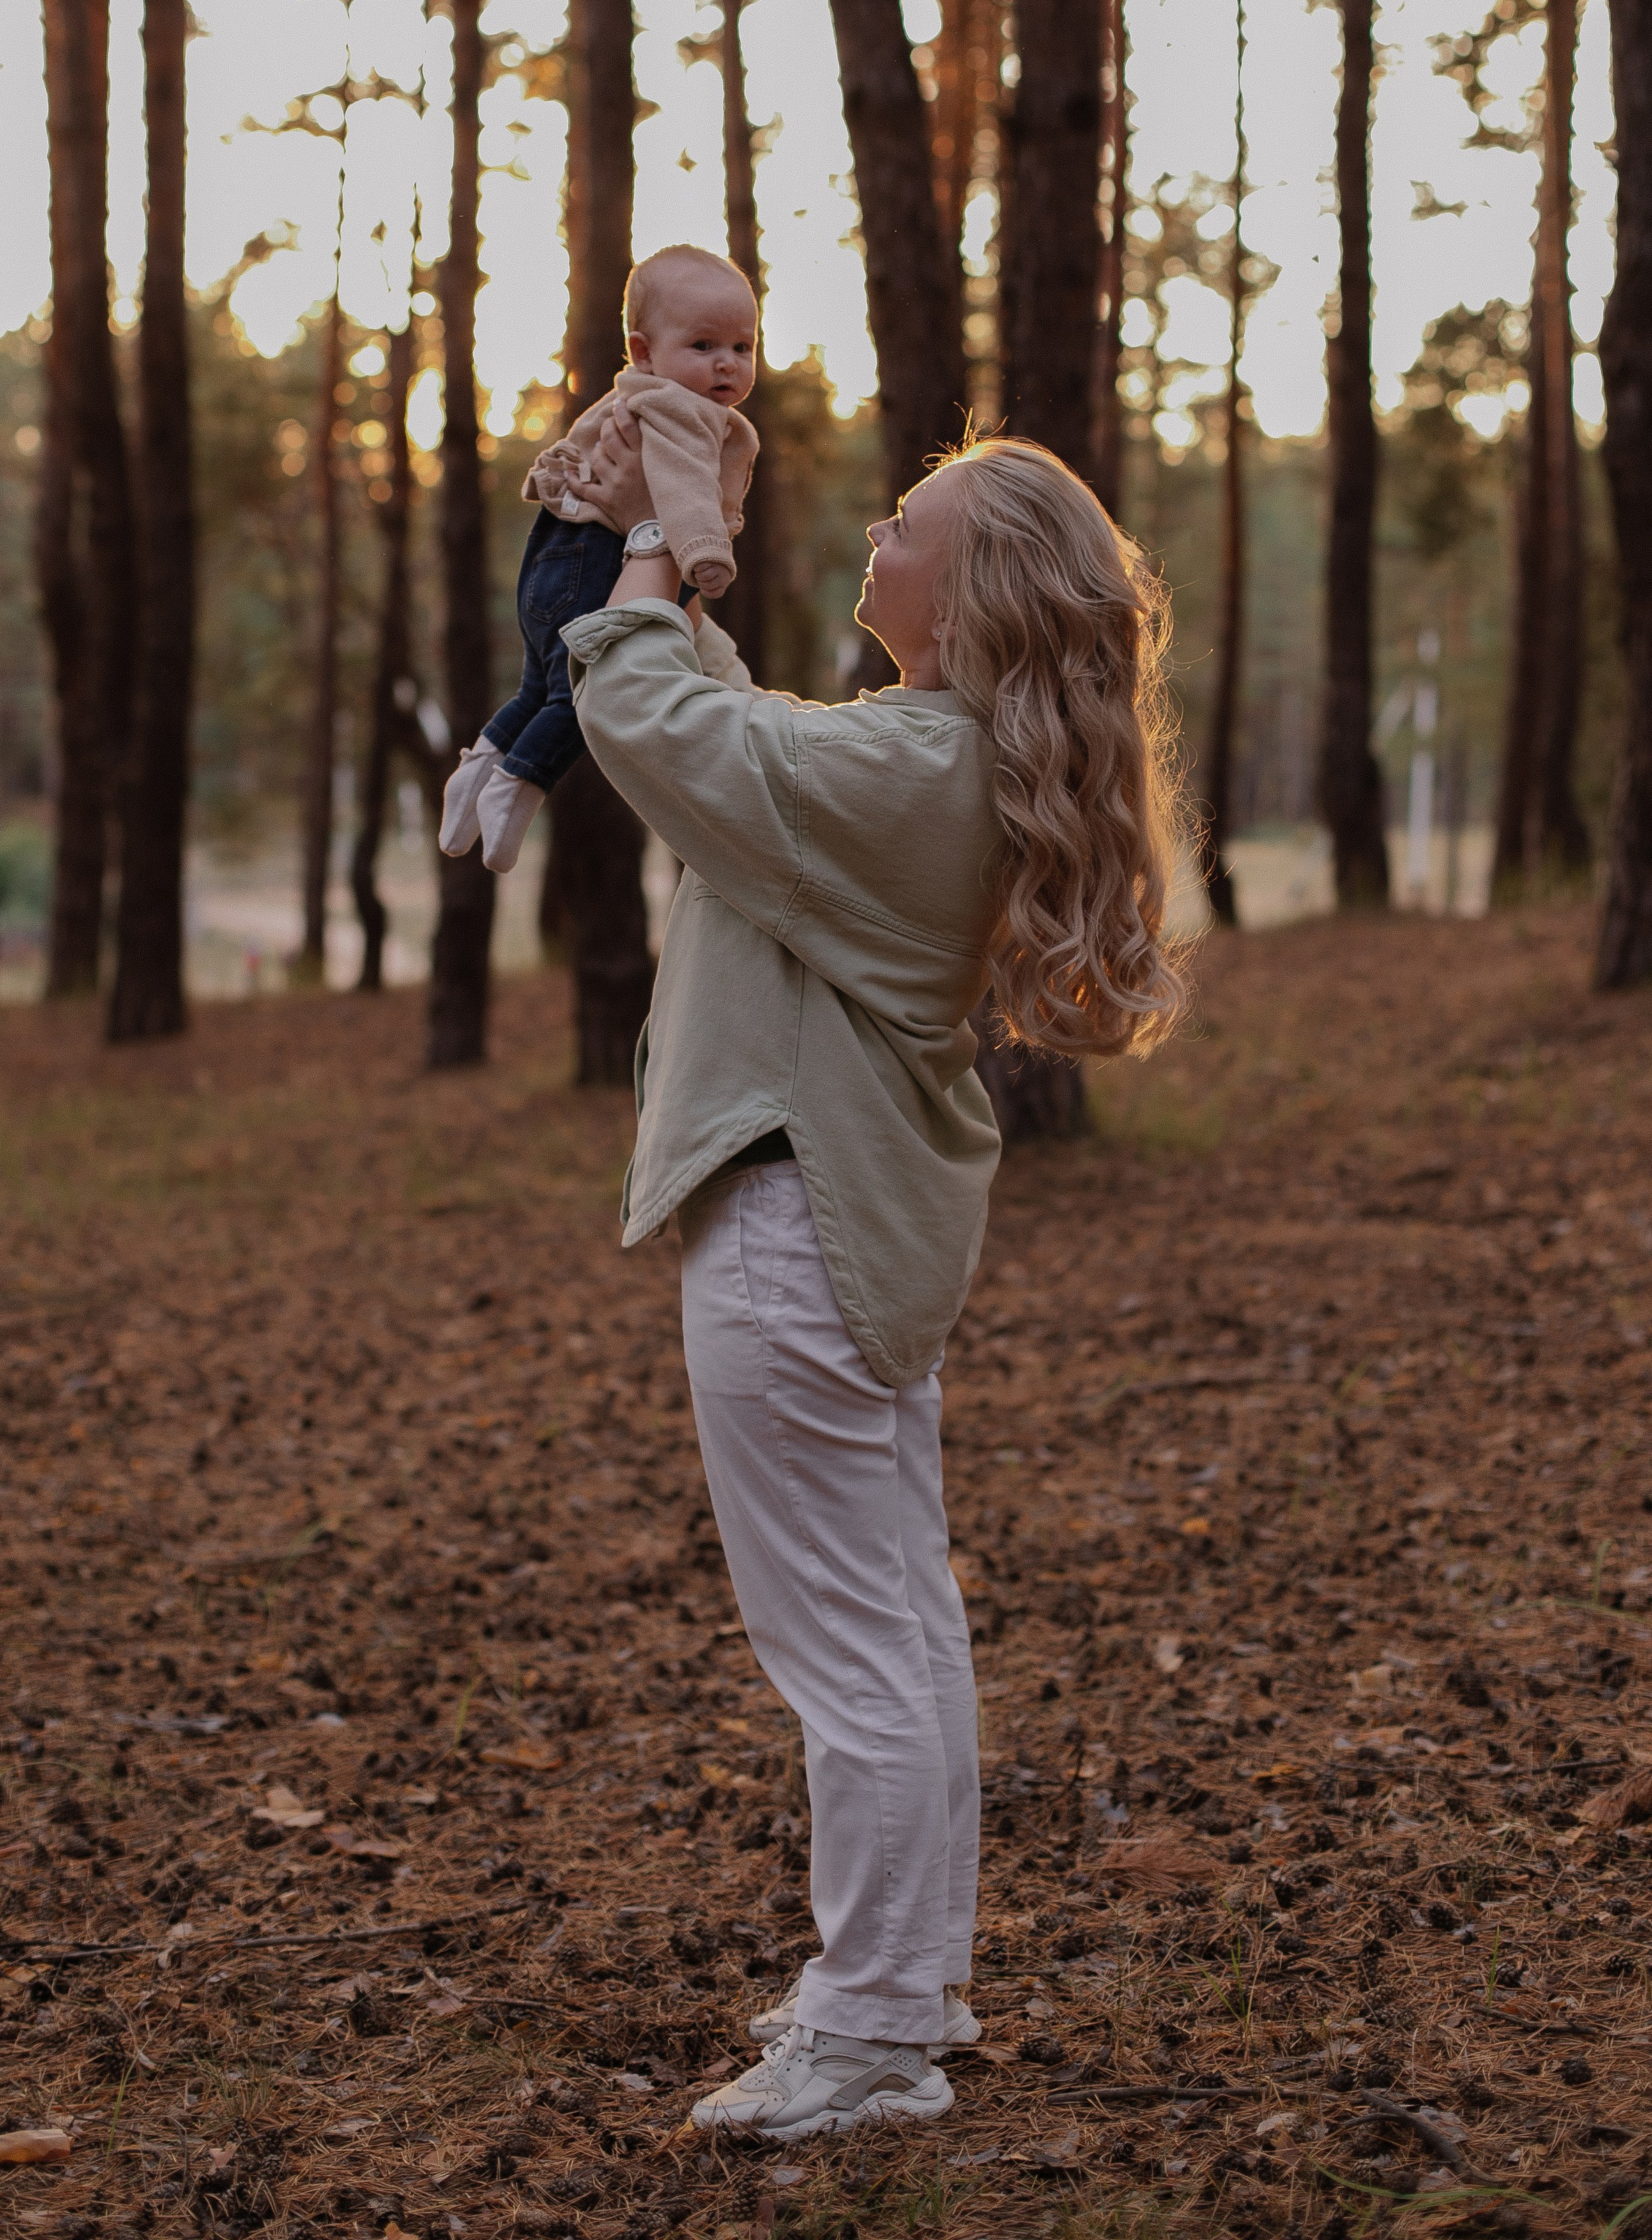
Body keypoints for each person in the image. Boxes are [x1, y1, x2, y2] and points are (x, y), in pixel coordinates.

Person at [455, 433, 1190, 2141]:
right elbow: (733, 741)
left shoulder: (916, 772)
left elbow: (655, 721)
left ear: (969, 585)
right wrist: (665, 560)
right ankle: (904, 1987)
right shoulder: (918, 755)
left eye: (904, 523)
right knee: (899, 1630)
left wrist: (646, 531)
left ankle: (865, 2036)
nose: (876, 528)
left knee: (852, 1647)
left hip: (797, 1236)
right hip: (834, 1222)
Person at [438, 245, 759, 874]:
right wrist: (704, 555)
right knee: (580, 693)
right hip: (598, 559)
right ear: (643, 352)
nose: (727, 363)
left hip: (554, 555)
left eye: (743, 348)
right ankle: (516, 792)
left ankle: (476, 773)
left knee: (538, 685)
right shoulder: (678, 409)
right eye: (703, 346)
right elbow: (684, 491)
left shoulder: (636, 398)